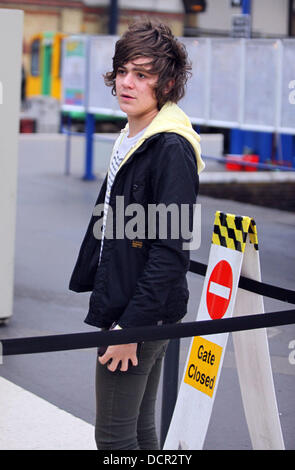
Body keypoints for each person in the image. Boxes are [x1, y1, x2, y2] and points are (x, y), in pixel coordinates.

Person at [69, 19, 204, 450]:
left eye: (142, 74)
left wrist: (130, 327)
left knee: (112, 437)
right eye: (123, 71)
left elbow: (171, 250)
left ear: (165, 82)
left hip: (139, 313)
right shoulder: (134, 133)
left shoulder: (169, 147)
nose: (127, 83)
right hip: (135, 305)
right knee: (140, 429)